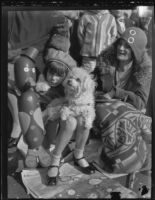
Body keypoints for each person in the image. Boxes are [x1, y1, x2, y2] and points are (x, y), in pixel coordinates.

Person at [93, 27, 152, 173]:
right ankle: (114, 159)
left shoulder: (143, 70)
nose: (121, 48)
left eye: (127, 46)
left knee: (130, 117)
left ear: (136, 51)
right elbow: (95, 88)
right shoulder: (105, 61)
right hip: (103, 109)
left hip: (128, 112)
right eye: (120, 43)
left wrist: (116, 92)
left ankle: (128, 161)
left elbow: (140, 102)